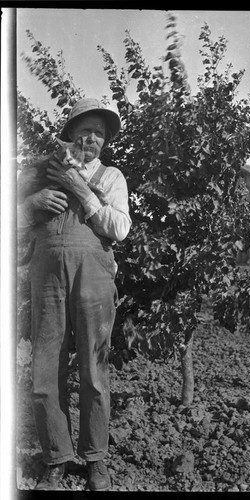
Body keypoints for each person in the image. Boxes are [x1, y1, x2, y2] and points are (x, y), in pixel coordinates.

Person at [17, 98, 132, 491]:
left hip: (93, 276)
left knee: (94, 370)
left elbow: (118, 229)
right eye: (85, 130)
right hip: (46, 276)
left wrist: (81, 190)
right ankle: (57, 458)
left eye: (99, 133)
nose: (92, 139)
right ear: (69, 133)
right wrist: (30, 206)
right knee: (45, 369)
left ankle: (96, 459)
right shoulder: (38, 171)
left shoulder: (112, 177)